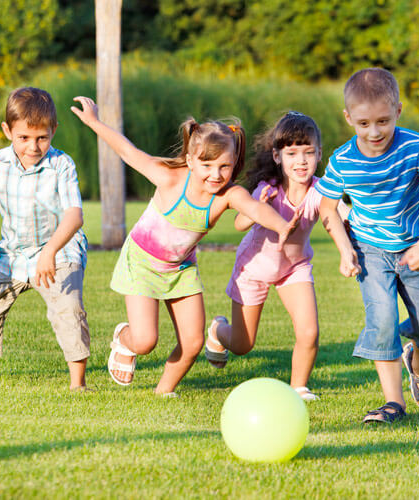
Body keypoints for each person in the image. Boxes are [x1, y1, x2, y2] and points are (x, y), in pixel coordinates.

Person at [71, 96, 301, 396]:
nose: (215, 175)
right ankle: (125, 340)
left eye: (224, 166)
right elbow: (127, 151)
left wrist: (282, 225)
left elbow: (255, 208)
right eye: (207, 165)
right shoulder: (168, 178)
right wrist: (94, 122)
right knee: (145, 341)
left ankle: (162, 392)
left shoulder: (227, 195)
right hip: (141, 264)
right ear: (191, 160)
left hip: (180, 270)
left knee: (192, 343)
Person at [316, 68, 419, 423]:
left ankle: (418, 367)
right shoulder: (343, 161)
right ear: (349, 118)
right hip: (369, 249)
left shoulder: (414, 147)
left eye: (384, 121)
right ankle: (394, 403)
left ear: (398, 112)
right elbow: (327, 206)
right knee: (383, 318)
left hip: (416, 248)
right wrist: (345, 249)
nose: (374, 132)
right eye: (364, 124)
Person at [0, 87, 90, 391]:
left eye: (42, 137)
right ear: (7, 131)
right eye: (24, 137)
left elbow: (74, 216)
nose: (33, 146)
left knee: (68, 308)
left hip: (59, 251)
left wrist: (51, 250)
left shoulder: (61, 165)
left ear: (54, 131)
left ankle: (78, 385)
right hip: (12, 254)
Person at [204, 112, 349, 401]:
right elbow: (240, 224)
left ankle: (299, 387)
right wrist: (257, 206)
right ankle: (218, 330)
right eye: (292, 153)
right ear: (277, 155)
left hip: (294, 269)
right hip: (253, 268)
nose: (302, 161)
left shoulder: (321, 190)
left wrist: (353, 238)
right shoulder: (267, 189)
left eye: (309, 152)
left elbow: (340, 216)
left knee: (309, 332)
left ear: (319, 154)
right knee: (243, 345)